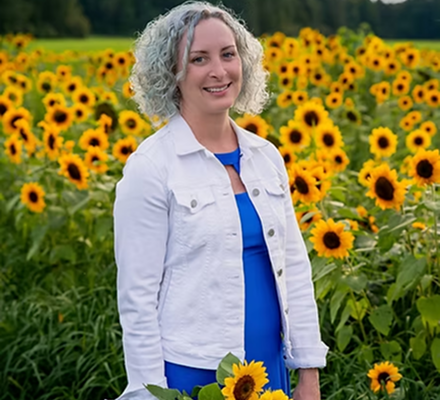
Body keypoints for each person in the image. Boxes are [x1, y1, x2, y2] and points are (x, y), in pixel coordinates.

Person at [113, 2, 328, 400]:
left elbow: (294, 270)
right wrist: (147, 392)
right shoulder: (151, 168)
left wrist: (308, 373)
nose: (219, 71)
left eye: (228, 54)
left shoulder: (265, 157)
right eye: (199, 59)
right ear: (171, 73)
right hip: (192, 371)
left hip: (268, 367)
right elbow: (137, 299)